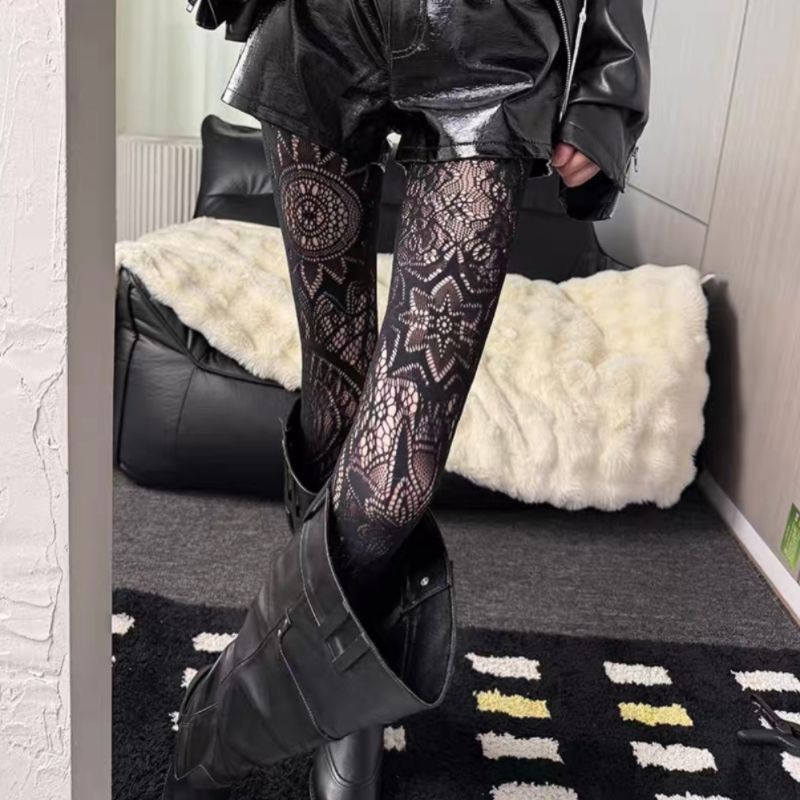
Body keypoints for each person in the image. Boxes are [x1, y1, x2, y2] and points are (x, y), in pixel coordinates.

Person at [163, 1, 650, 798]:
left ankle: (220, 726)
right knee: (334, 401)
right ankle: (345, 682)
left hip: (493, 46)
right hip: (322, 27)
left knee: (394, 482)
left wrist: (607, 87)